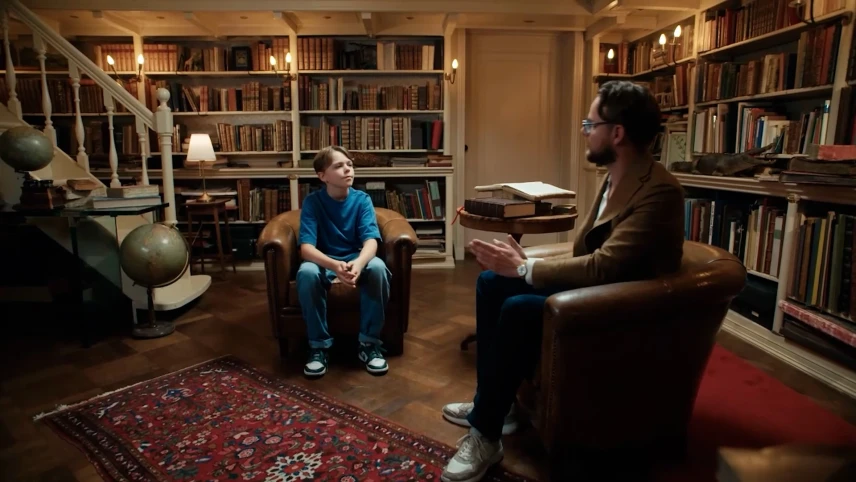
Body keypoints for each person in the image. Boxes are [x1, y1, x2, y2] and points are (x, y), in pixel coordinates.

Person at [439, 80, 686, 482]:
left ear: (617, 133)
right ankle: (495, 406)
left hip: (622, 310)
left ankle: (486, 434)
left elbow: (606, 266)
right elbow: (584, 250)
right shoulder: (615, 176)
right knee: (490, 283)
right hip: (595, 290)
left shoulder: (660, 191)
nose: (586, 132)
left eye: (590, 124)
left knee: (519, 307)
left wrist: (526, 269)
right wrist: (521, 266)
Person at [296, 145, 392, 378]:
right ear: (322, 176)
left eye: (350, 164)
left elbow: (371, 241)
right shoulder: (313, 202)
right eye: (339, 166)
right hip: (323, 260)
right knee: (307, 272)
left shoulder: (362, 200)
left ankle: (369, 344)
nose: (348, 169)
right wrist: (333, 265)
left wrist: (358, 264)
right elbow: (306, 249)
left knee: (378, 266)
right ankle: (319, 347)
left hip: (354, 257)